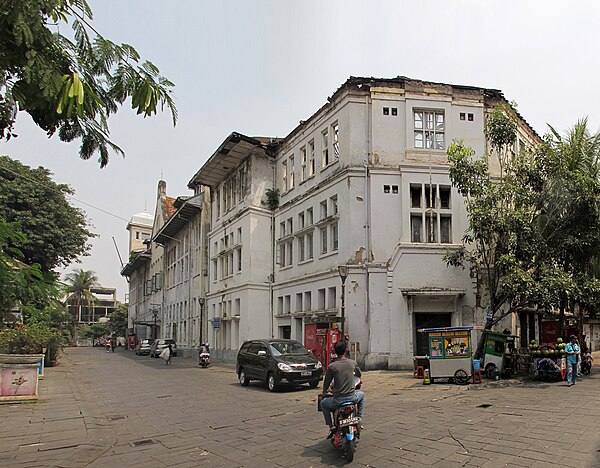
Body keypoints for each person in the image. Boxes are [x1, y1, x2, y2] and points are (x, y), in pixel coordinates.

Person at [320, 340, 365, 438]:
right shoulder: (352, 363)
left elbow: (326, 382)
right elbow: (359, 374)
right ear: (346, 350)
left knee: (323, 403)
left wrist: (324, 392)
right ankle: (359, 418)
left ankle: (331, 425)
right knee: (362, 394)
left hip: (337, 400)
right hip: (352, 398)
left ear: (335, 352)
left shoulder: (332, 366)